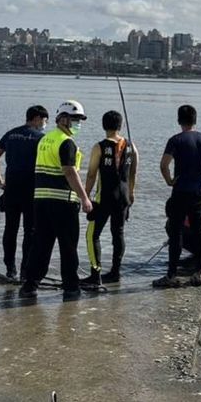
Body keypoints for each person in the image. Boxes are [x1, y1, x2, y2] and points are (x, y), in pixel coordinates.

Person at [21, 100, 94, 302]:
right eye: (75, 119)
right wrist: (85, 198)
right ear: (63, 119)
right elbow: (69, 172)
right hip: (63, 202)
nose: (78, 123)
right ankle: (71, 288)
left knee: (41, 245)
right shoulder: (66, 142)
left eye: (80, 120)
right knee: (68, 247)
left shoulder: (46, 139)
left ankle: (30, 285)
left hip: (41, 201)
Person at [157, 104, 201, 288]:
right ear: (195, 120)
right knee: (199, 231)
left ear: (179, 120)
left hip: (180, 191)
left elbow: (164, 165)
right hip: (198, 192)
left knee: (176, 231)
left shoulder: (176, 140)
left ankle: (171, 275)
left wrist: (169, 180)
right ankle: (199, 273)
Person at [0, 104, 48, 280]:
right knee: (30, 231)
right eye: (45, 120)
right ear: (37, 118)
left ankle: (10, 269)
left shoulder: (11, 134)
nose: (45, 124)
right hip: (31, 191)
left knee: (10, 229)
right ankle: (25, 271)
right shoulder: (41, 138)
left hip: (11, 189)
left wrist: (0, 182)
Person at [83, 110, 138, 287]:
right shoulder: (131, 146)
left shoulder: (99, 147)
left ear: (103, 125)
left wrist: (85, 196)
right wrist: (131, 193)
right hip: (123, 197)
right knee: (118, 233)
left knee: (92, 235)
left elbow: (91, 174)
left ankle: (95, 274)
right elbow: (133, 173)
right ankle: (116, 272)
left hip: (104, 197)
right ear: (121, 125)